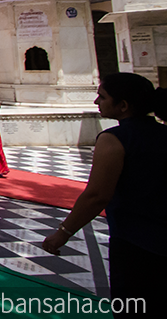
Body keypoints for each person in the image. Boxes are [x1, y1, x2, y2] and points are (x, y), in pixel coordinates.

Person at [42, 73, 167, 318]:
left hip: (135, 241)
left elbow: (97, 195)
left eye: (102, 96)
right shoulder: (161, 134)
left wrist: (62, 233)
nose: (96, 102)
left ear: (123, 105)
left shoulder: (114, 140)